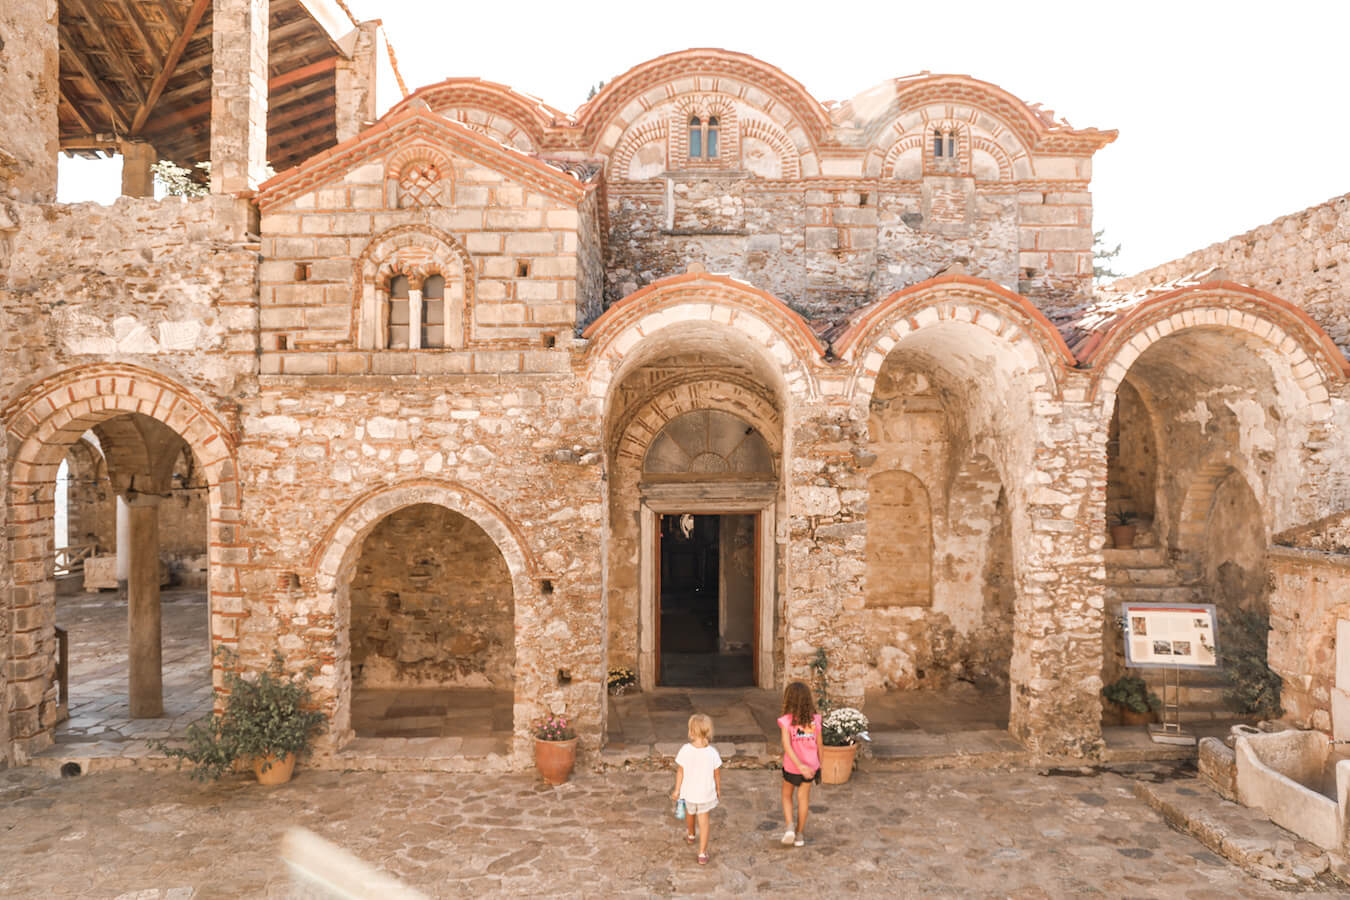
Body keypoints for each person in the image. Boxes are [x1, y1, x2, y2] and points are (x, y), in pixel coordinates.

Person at [670, 713, 722, 865]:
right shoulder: (712, 753)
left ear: (691, 732)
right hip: (705, 793)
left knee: (690, 813)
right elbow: (716, 774)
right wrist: (718, 789)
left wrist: (677, 790)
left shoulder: (685, 750)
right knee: (704, 822)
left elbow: (680, 771)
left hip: (689, 792)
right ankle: (702, 853)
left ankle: (691, 834)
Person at [777, 680, 822, 848]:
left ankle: (790, 826)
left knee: (786, 795)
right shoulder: (816, 720)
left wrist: (799, 765)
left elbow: (786, 745)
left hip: (792, 766)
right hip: (811, 767)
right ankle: (800, 835)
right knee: (803, 799)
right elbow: (820, 745)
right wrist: (820, 766)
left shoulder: (786, 721)